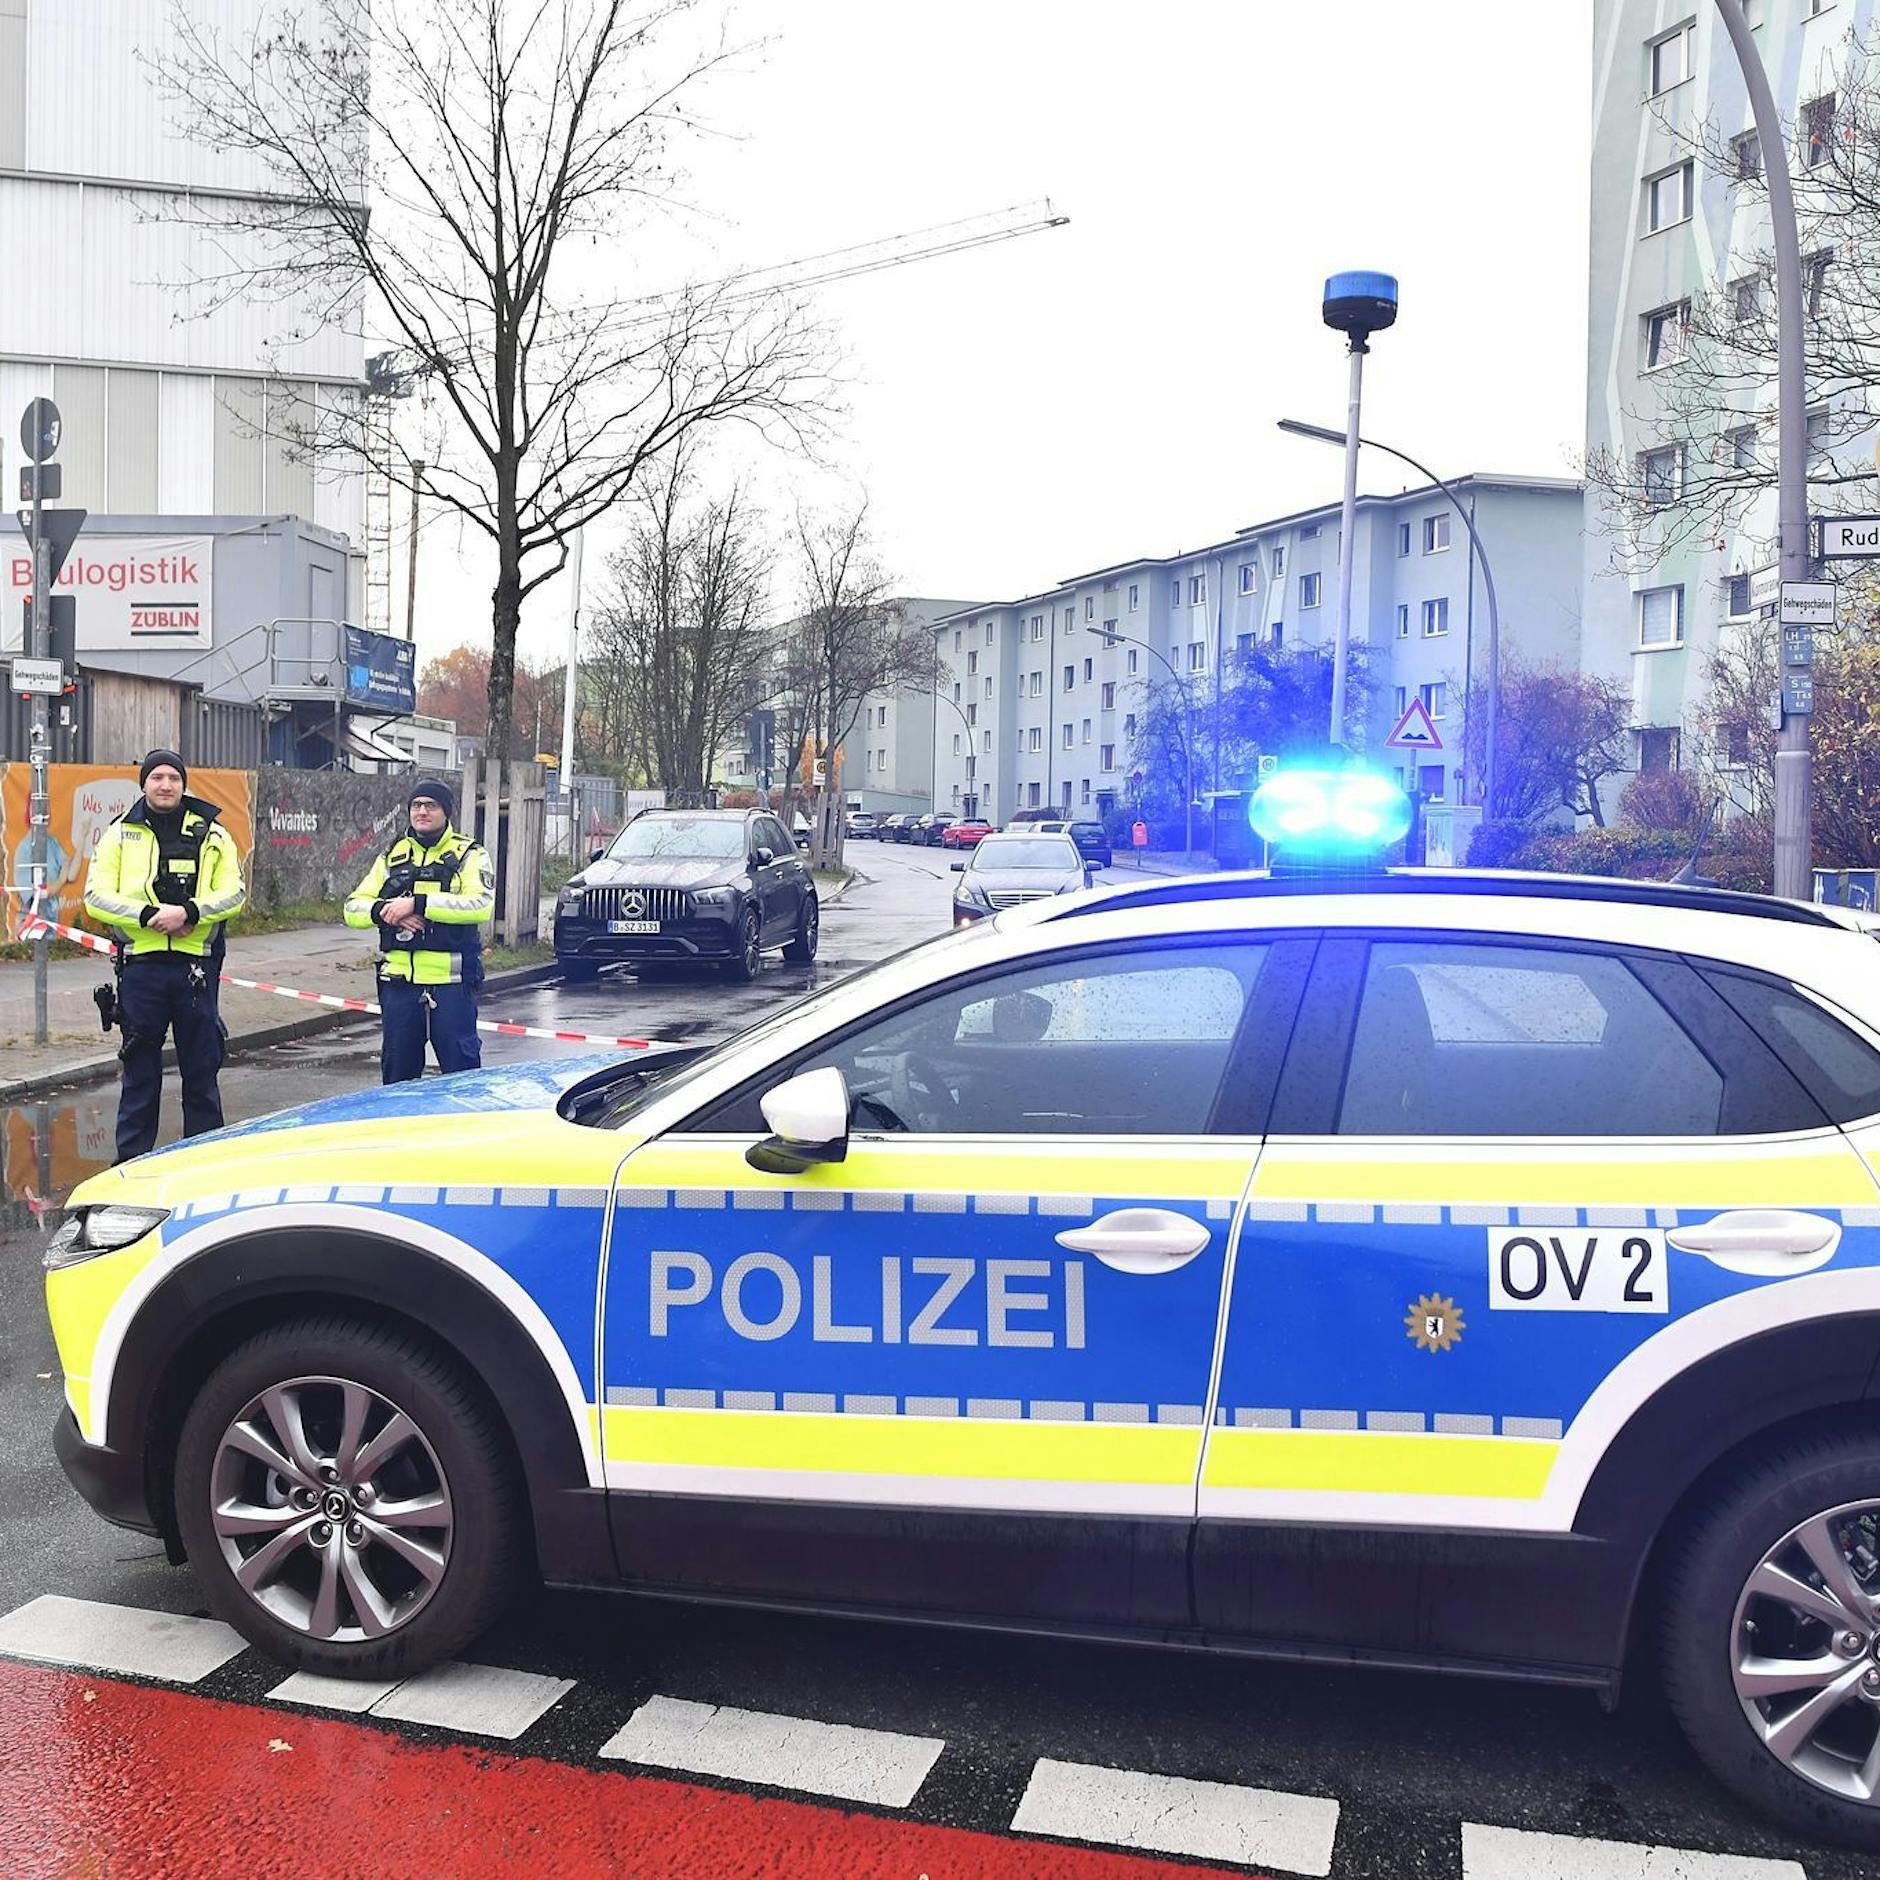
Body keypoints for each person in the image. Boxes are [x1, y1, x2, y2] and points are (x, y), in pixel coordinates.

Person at [83, 749, 246, 1163]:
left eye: (173, 778)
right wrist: (148, 915)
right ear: (143, 784)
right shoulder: (120, 833)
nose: (165, 785)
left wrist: (189, 912)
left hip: (196, 968)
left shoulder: (213, 834)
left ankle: (204, 1164)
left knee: (201, 1072)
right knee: (140, 1074)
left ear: (183, 784)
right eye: (157, 777)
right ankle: (132, 1166)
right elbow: (96, 897)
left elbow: (235, 893)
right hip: (142, 968)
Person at [344, 779, 493, 1084]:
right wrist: (387, 912)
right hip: (400, 986)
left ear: (446, 812)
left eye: (431, 805)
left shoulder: (469, 854)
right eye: (416, 805)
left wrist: (418, 905)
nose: (422, 811)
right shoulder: (392, 855)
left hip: (450, 985)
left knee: (462, 1080)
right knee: (397, 1079)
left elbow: (480, 905)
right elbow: (352, 908)